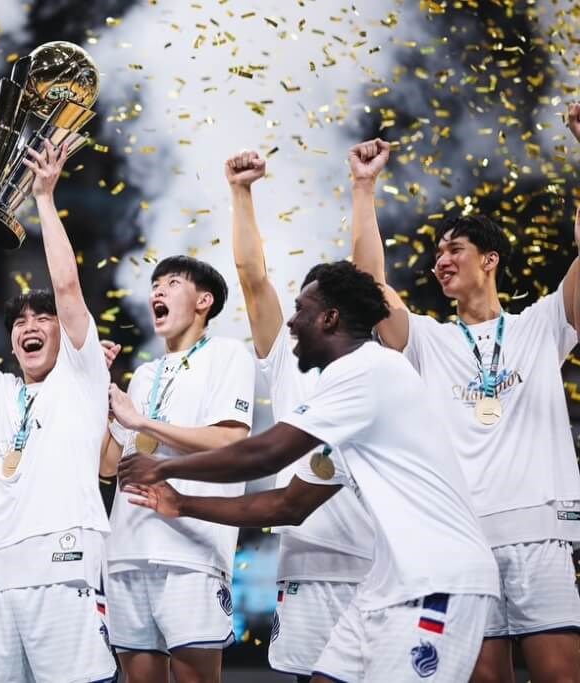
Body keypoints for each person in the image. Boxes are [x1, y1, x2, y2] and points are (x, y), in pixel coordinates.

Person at [121, 261, 499, 683]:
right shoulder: (347, 394)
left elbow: (267, 454)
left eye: (301, 310)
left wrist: (164, 466)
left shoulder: (369, 370)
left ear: (330, 318)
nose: (291, 323)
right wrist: (183, 503)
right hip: (388, 582)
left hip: (438, 575)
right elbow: (289, 504)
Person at [349, 123, 580, 683]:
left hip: (538, 534)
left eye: (455, 249)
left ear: (490, 259)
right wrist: (363, 187)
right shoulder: (428, 341)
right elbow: (365, 284)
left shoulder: (542, 325)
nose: (441, 260)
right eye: (437, 253)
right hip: (460, 540)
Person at [0, 140, 116, 682]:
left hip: (66, 561)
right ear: (11, 342)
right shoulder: (0, 390)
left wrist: (43, 198)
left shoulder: (82, 375)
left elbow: (67, 286)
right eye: (20, 322)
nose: (29, 326)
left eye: (43, 319)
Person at [227, 150, 374, 683]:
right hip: (307, 569)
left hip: (380, 567)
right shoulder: (287, 360)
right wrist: (241, 192)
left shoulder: (381, 360)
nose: (293, 319)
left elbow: (372, 280)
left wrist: (363, 189)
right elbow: (252, 279)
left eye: (306, 309)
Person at [99, 253, 255, 683]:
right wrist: (98, 393)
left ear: (204, 301)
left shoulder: (227, 355)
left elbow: (229, 442)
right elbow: (108, 467)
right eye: (155, 285)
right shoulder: (144, 375)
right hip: (126, 552)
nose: (158, 291)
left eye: (171, 283)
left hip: (191, 550)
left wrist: (142, 423)